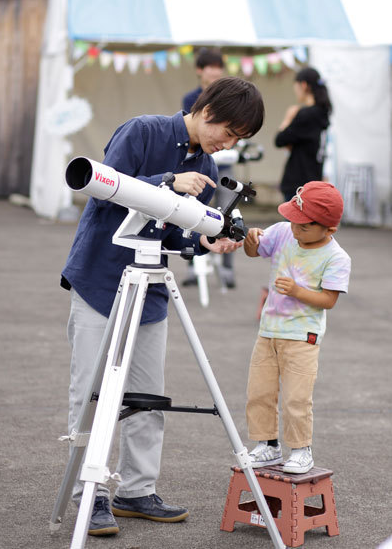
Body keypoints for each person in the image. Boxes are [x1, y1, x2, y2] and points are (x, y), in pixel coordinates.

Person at [61, 77, 264, 536]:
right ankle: (87, 497)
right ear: (208, 110)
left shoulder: (208, 166)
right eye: (229, 132)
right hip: (100, 277)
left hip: (150, 287)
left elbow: (173, 233)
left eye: (237, 140)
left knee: (147, 397)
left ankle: (137, 490)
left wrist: (203, 241)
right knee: (89, 395)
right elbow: (104, 190)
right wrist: (167, 181)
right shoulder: (143, 131)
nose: (228, 143)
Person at [243, 181, 351, 474]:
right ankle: (268, 445)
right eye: (293, 220)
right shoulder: (282, 232)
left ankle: (301, 450)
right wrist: (251, 241)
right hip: (268, 331)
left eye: (304, 226)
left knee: (296, 397)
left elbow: (328, 300)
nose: (295, 229)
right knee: (259, 392)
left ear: (329, 229)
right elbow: (254, 252)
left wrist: (296, 290)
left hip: (303, 337)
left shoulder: (336, 257)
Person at [182, 48, 236, 288]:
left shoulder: (232, 98)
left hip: (224, 166)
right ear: (199, 71)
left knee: (229, 213)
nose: (215, 72)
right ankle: (192, 265)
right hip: (197, 165)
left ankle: (227, 269)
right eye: (210, 67)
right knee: (191, 211)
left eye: (218, 67)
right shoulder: (190, 98)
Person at [275, 67, 332, 202]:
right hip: (314, 180)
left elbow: (279, 140)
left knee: (292, 223)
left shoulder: (306, 114)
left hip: (298, 183)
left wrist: (288, 118)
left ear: (303, 85)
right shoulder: (323, 113)